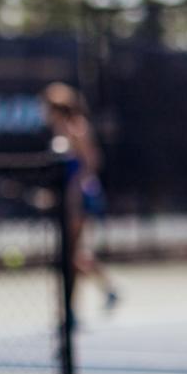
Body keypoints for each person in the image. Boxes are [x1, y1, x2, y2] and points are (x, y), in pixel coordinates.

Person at [40, 82, 120, 318]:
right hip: (67, 197)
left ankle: (70, 309)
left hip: (80, 198)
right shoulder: (58, 130)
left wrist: (73, 193)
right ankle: (97, 294)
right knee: (72, 255)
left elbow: (91, 162)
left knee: (72, 254)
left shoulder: (77, 128)